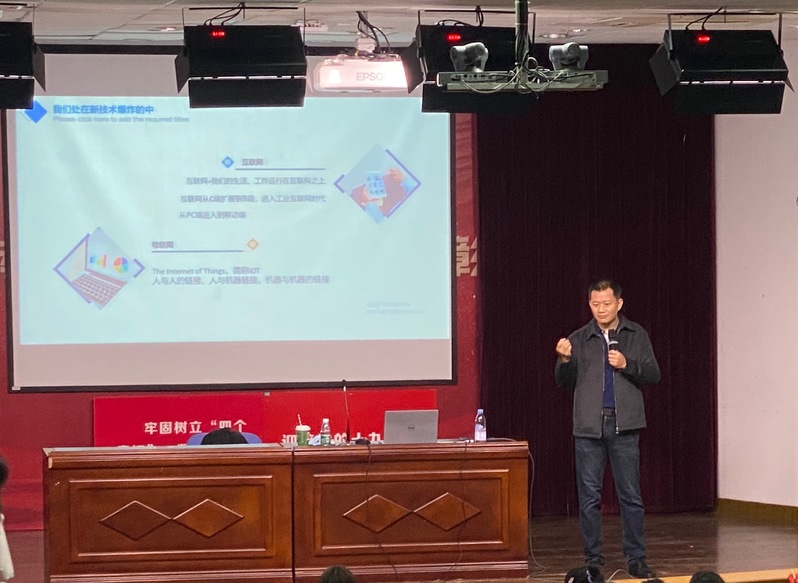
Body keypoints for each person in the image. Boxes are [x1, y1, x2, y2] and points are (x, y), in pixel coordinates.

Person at [555, 279, 660, 579]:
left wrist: (627, 364)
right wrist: (564, 360)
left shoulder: (635, 334)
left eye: (606, 303)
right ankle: (593, 560)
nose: (601, 309)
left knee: (631, 496)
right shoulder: (579, 338)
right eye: (595, 304)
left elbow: (653, 373)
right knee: (589, 497)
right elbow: (563, 382)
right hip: (589, 427)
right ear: (589, 305)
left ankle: (636, 558)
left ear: (619, 304)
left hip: (624, 426)